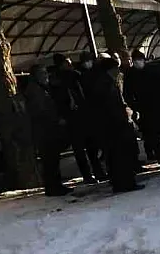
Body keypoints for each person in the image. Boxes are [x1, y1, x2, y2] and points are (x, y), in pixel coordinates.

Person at [50, 53, 106, 183]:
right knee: (80, 149)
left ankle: (97, 172)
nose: (70, 64)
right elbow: (58, 101)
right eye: (67, 62)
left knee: (91, 146)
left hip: (83, 115)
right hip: (72, 118)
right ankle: (89, 175)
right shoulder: (57, 80)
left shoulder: (75, 76)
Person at [93, 57, 144, 193]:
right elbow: (114, 106)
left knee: (116, 157)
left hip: (113, 126)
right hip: (116, 126)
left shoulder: (106, 82)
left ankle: (121, 182)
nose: (118, 71)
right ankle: (126, 183)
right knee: (121, 156)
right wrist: (125, 116)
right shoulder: (106, 84)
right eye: (116, 68)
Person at [23, 65, 72, 196]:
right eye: (42, 73)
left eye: (45, 73)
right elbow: (41, 112)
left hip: (48, 130)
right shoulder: (35, 91)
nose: (46, 76)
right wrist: (57, 120)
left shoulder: (41, 89)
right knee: (50, 160)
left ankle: (56, 185)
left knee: (53, 160)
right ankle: (53, 187)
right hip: (45, 132)